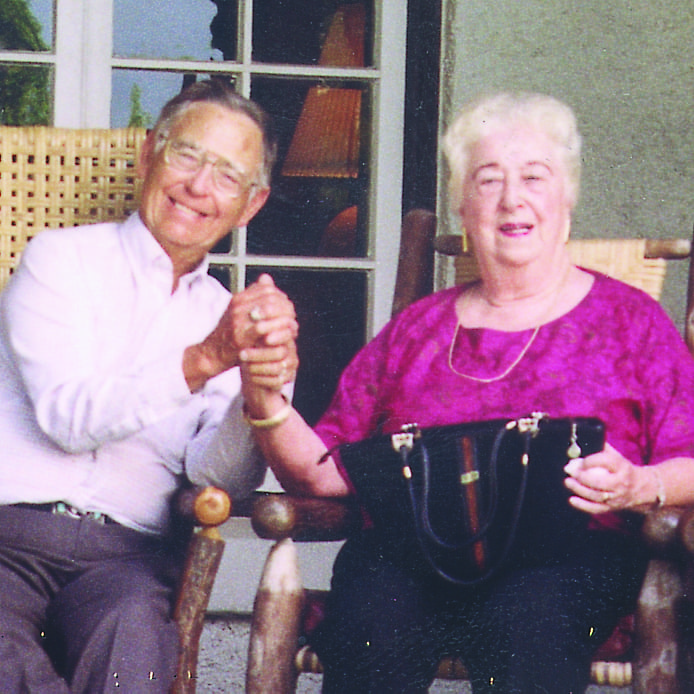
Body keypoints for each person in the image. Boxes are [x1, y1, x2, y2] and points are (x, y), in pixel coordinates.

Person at [239, 92, 694, 693]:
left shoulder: (630, 321)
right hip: (412, 555)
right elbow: (326, 473)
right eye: (488, 180)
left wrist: (642, 484)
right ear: (462, 205)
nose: (513, 198)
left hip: (568, 560)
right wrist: (265, 398)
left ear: (568, 194)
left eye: (535, 176)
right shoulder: (416, 329)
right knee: (371, 615)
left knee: (527, 619)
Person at [0, 79, 298, 693]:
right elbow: (67, 417)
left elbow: (219, 477)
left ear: (250, 205)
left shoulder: (225, 313)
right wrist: (207, 357)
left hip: (126, 560)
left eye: (225, 174)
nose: (197, 186)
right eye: (186, 154)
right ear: (148, 156)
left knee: (136, 642)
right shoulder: (57, 260)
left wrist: (259, 390)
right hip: (8, 539)